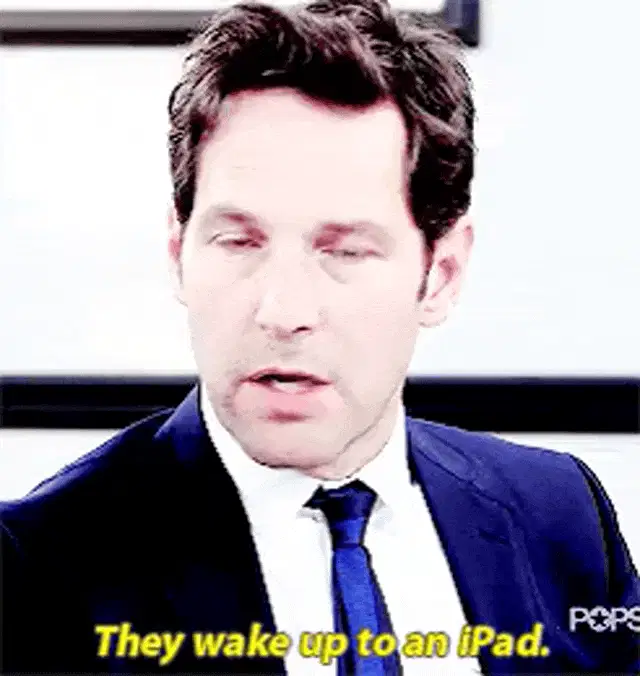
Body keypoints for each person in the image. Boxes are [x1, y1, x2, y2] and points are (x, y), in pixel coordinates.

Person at [1, 0, 638, 674]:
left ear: (442, 274)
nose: (282, 310)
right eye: (238, 241)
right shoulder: (34, 569)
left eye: (346, 250)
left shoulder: (560, 515)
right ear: (178, 253)